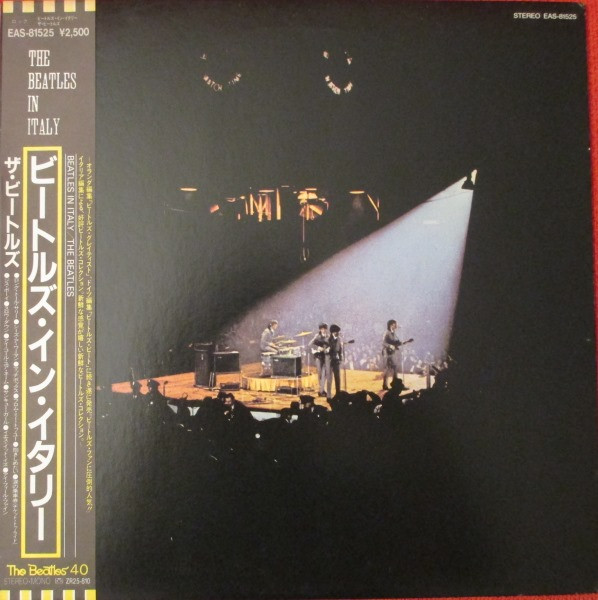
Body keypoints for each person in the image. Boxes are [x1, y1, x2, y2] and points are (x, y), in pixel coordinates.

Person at [382, 320, 413, 390]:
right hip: (386, 353)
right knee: (388, 368)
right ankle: (386, 385)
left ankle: (394, 384)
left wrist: (406, 342)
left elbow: (397, 343)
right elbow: (383, 343)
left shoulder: (393, 333)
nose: (396, 326)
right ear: (391, 325)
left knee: (394, 367)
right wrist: (390, 346)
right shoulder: (387, 333)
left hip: (391, 353)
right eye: (395, 324)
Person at [309, 323, 330, 397]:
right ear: (320, 329)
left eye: (324, 329)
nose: (323, 330)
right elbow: (310, 344)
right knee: (320, 374)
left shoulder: (328, 336)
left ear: (326, 329)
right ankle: (321, 390)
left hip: (326, 357)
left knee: (325, 374)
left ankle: (321, 390)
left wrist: (328, 348)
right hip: (318, 357)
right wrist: (318, 348)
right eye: (322, 329)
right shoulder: (317, 336)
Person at [327, 324, 343, 398]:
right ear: (333, 332)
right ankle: (329, 395)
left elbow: (340, 350)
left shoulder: (339, 339)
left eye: (338, 332)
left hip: (336, 360)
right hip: (330, 361)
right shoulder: (328, 340)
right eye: (336, 332)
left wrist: (340, 358)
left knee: (337, 378)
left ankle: (338, 393)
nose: (337, 333)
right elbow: (328, 350)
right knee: (329, 378)